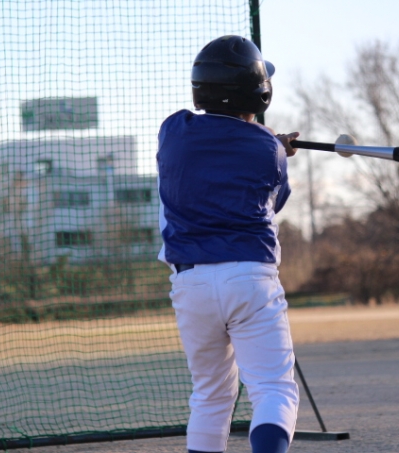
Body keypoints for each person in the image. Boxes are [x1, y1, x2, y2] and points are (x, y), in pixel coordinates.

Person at [156, 35, 300, 453]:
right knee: (273, 389)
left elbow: (222, 141)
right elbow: (275, 201)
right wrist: (275, 144)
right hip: (249, 279)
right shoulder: (268, 150)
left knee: (210, 396)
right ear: (259, 94)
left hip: (191, 285)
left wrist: (268, 139)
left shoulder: (173, 131)